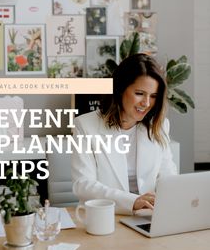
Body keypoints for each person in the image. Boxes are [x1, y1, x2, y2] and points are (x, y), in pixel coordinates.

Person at [71, 54, 177, 214]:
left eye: (153, 96)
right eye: (140, 93)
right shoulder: (85, 125)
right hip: (107, 215)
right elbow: (83, 184)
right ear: (120, 89)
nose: (147, 103)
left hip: (149, 216)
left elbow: (168, 175)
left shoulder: (160, 126)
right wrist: (133, 202)